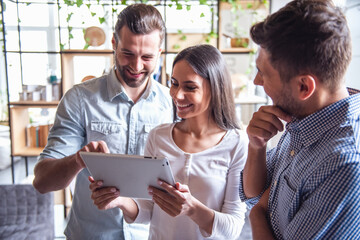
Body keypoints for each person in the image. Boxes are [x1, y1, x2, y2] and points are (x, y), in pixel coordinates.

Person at [32, 4, 175, 239]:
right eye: (127, 53)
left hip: (152, 234)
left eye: (147, 57)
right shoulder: (80, 99)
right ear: (113, 43)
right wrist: (79, 159)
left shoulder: (172, 105)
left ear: (159, 52)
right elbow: (42, 182)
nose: (137, 66)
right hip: (91, 234)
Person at [89, 44, 249, 239]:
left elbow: (233, 229)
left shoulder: (237, 143)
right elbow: (148, 209)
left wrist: (191, 208)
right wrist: (119, 200)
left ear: (215, 88)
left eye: (190, 87)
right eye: (174, 83)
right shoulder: (158, 136)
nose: (177, 95)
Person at [239, 0, 360, 239]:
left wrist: (257, 213)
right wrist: (256, 145)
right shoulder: (304, 119)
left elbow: (257, 205)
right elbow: (255, 194)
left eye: (263, 73)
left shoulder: (345, 164)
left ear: (304, 86)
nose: (256, 81)